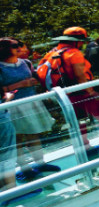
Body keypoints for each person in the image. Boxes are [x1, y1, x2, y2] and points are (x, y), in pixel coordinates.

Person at [0, 38, 58, 180]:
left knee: (34, 134)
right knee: (18, 139)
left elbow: (36, 77)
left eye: (19, 44)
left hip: (31, 102)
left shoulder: (26, 63)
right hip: (12, 106)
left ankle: (40, 163)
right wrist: (21, 84)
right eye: (14, 46)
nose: (19, 47)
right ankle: (25, 169)